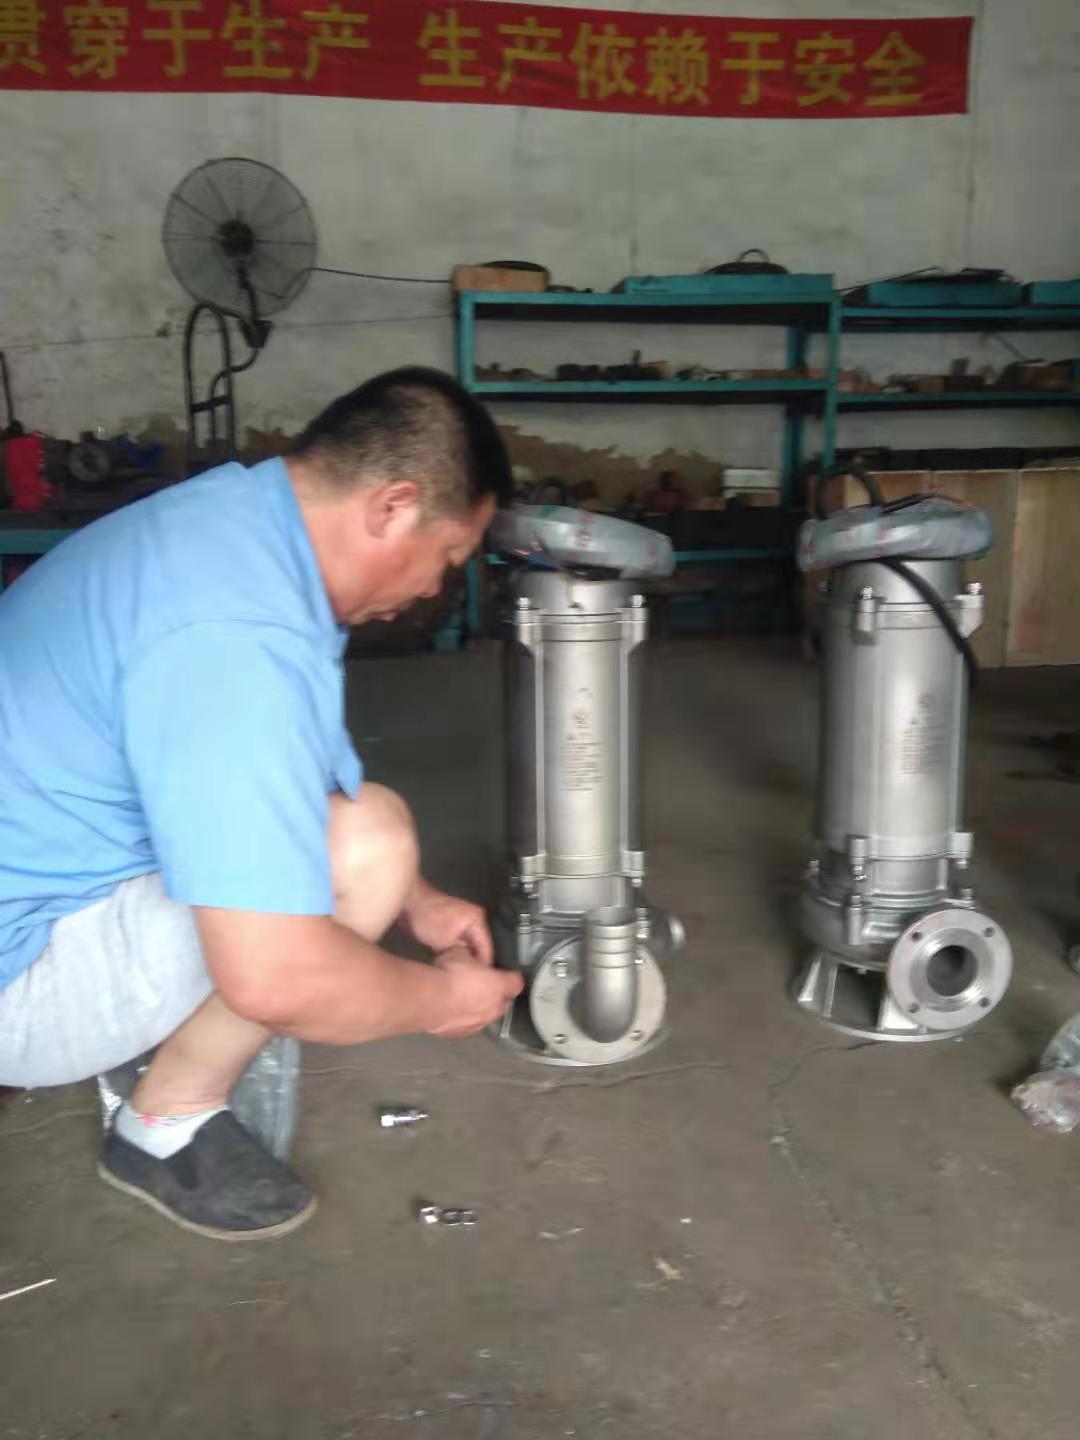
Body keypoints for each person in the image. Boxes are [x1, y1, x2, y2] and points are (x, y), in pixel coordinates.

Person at [0, 367, 523, 1241]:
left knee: (366, 837)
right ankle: (163, 1125)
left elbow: (288, 771)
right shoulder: (236, 637)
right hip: (18, 976)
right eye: (448, 559)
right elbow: (278, 978)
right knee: (368, 847)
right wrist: (442, 1000)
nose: (435, 590)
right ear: (393, 507)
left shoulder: (234, 527)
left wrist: (422, 904)